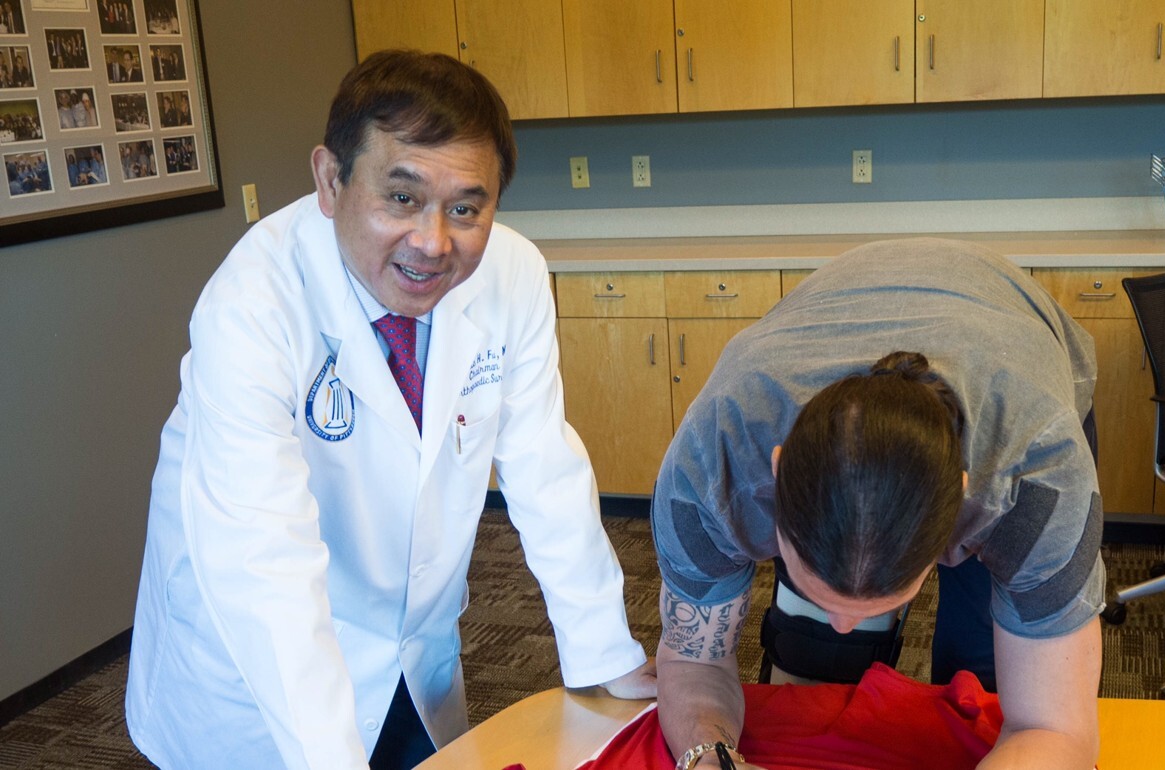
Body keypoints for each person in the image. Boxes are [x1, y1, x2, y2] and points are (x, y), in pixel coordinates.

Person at [125, 49, 655, 770]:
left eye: (467, 208)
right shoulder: (253, 304)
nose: (435, 243)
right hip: (253, 677)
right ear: (330, 179)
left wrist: (602, 649)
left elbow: (542, 463)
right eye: (401, 198)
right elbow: (262, 561)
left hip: (410, 645)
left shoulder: (513, 273)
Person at [652, 238, 1103, 769]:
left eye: (876, 602)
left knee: (980, 679)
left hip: (1014, 335)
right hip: (821, 322)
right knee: (815, 653)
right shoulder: (712, 466)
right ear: (776, 474)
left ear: (958, 502)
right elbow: (693, 664)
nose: (842, 621)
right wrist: (709, 759)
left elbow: (1052, 725)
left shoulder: (1036, 479)